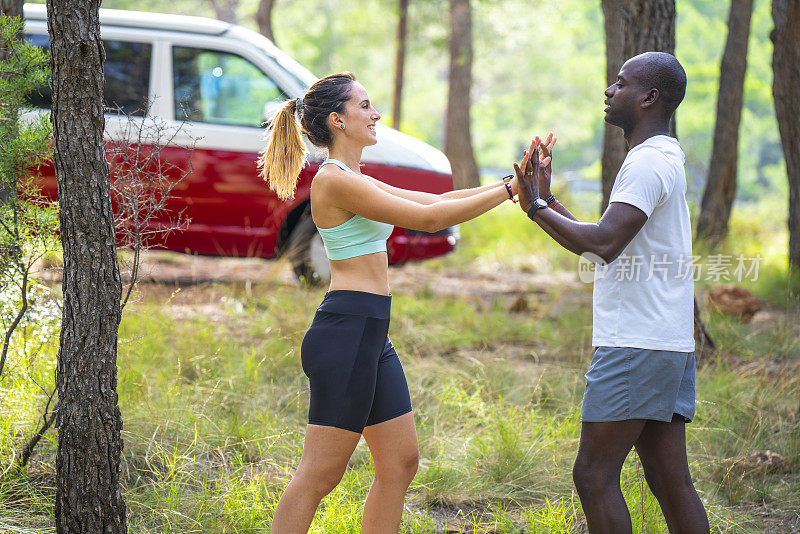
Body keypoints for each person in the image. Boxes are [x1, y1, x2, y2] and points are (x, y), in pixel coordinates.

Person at [260, 72, 523, 534]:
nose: (375, 113)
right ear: (338, 120)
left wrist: (513, 183)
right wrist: (508, 191)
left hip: (369, 335)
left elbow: (437, 199)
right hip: (345, 335)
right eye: (365, 106)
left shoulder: (356, 177)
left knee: (400, 464)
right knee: (319, 475)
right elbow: (429, 218)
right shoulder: (334, 181)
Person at [513, 52, 709, 534]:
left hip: (635, 344)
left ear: (648, 98)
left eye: (620, 83)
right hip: (665, 342)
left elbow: (602, 245)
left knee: (593, 475)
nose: (608, 90)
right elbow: (605, 236)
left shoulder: (646, 164)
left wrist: (534, 205)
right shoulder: (661, 157)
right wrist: (548, 201)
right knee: (669, 481)